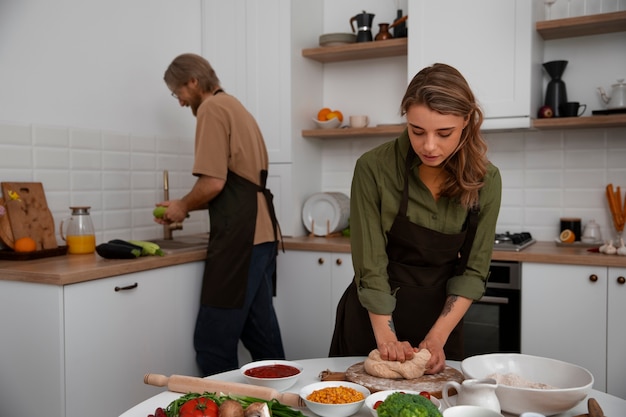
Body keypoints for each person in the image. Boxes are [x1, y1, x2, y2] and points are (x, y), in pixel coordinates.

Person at [329, 63, 502, 375]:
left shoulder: (486, 179)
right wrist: (386, 337)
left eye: (444, 133)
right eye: (417, 131)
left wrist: (437, 337)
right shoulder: (373, 168)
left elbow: (474, 271)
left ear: (466, 120)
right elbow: (371, 263)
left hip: (440, 321)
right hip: (373, 320)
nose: (429, 146)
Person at [158, 53, 285, 375]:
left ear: (192, 81)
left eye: (178, 93)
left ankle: (222, 407)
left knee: (213, 343)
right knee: (262, 336)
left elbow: (214, 182)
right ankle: (287, 403)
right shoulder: (235, 106)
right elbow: (237, 181)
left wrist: (183, 205)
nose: (180, 102)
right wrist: (184, 206)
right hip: (262, 233)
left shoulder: (212, 109)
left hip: (240, 238)